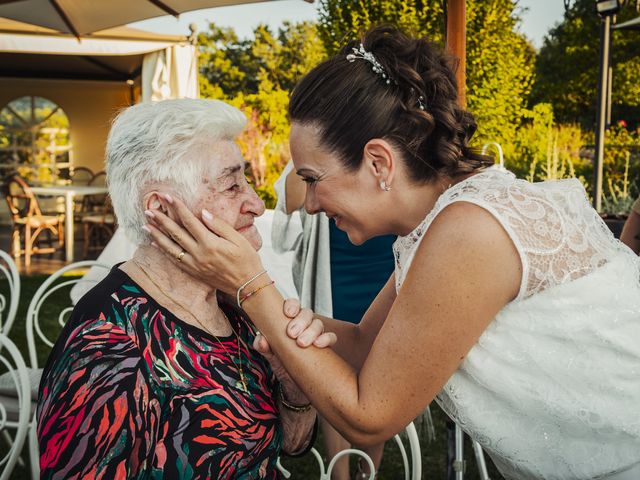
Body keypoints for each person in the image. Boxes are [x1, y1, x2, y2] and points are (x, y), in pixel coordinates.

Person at [144, 26, 640, 480]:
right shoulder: (445, 220)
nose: (310, 205)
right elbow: (363, 346)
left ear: (379, 161)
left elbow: (370, 416)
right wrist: (259, 316)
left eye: (314, 181)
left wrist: (249, 286)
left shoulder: (472, 229)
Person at [36, 99, 334, 479]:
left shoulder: (231, 303)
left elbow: (287, 445)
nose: (257, 205)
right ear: (160, 210)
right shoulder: (110, 347)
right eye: (231, 186)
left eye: (247, 182)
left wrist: (295, 392)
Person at [272, 161, 396, 479]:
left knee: (380, 375)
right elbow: (291, 202)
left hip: (384, 266)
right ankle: (339, 474)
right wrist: (301, 159)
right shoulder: (324, 147)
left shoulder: (385, 146)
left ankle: (368, 472)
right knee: (334, 372)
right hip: (336, 271)